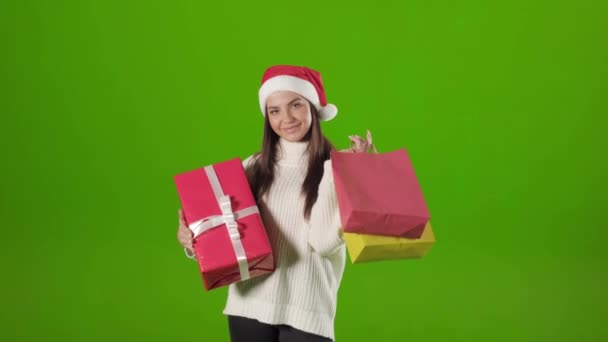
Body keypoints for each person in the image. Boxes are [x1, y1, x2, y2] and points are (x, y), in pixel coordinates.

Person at [177, 65, 373, 341]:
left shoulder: (337, 169)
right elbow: (227, 238)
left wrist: (339, 170)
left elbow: (325, 242)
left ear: (313, 108)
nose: (287, 118)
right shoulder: (252, 167)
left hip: (307, 310)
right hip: (248, 304)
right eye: (275, 110)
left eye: (296, 105)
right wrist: (192, 239)